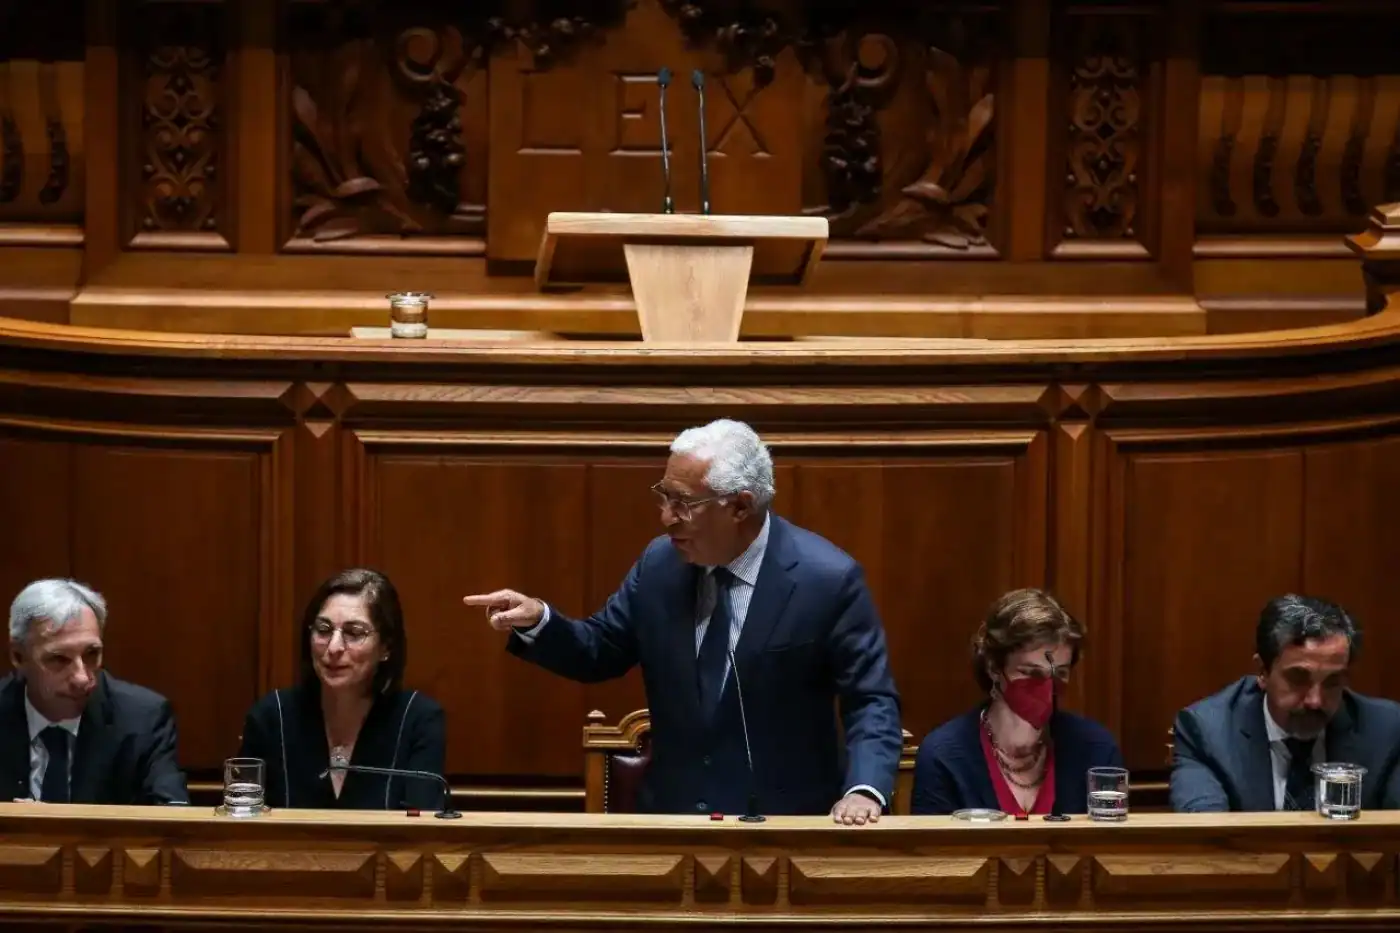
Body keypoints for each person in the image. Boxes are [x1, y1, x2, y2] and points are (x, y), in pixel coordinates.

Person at [465, 418, 902, 823]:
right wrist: (539, 620)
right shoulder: (659, 565)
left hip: (782, 826)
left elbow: (871, 699)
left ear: (740, 506)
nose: (666, 518)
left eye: (684, 503)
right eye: (665, 496)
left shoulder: (825, 579)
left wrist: (865, 790)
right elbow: (599, 650)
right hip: (672, 824)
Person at [239, 569, 447, 810]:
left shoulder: (417, 720)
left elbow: (422, 830)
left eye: (354, 633)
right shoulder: (272, 716)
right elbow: (240, 825)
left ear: (386, 648)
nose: (334, 647)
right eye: (324, 629)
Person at [1171, 594, 1400, 812]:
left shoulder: (1387, 731)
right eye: (1298, 679)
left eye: (1332, 682)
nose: (1315, 701)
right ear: (1262, 671)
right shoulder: (1207, 732)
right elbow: (1206, 837)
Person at [911, 588, 1121, 816]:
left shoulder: (1095, 749)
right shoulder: (943, 756)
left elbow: (1115, 846)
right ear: (994, 668)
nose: (1047, 689)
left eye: (1059, 674)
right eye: (1031, 673)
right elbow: (931, 849)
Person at [0, 579, 188, 804]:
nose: (82, 677)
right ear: (18, 657)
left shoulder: (143, 719)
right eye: (59, 659)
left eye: (91, 654)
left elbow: (171, 817)